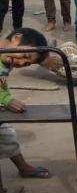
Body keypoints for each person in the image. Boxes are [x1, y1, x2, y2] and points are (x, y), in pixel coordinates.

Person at [0, 26, 51, 180]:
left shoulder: (7, 59)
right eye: (25, 55)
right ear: (16, 38)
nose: (21, 62)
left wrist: (6, 98)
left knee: (6, 132)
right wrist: (6, 100)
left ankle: (23, 167)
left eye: (27, 63)